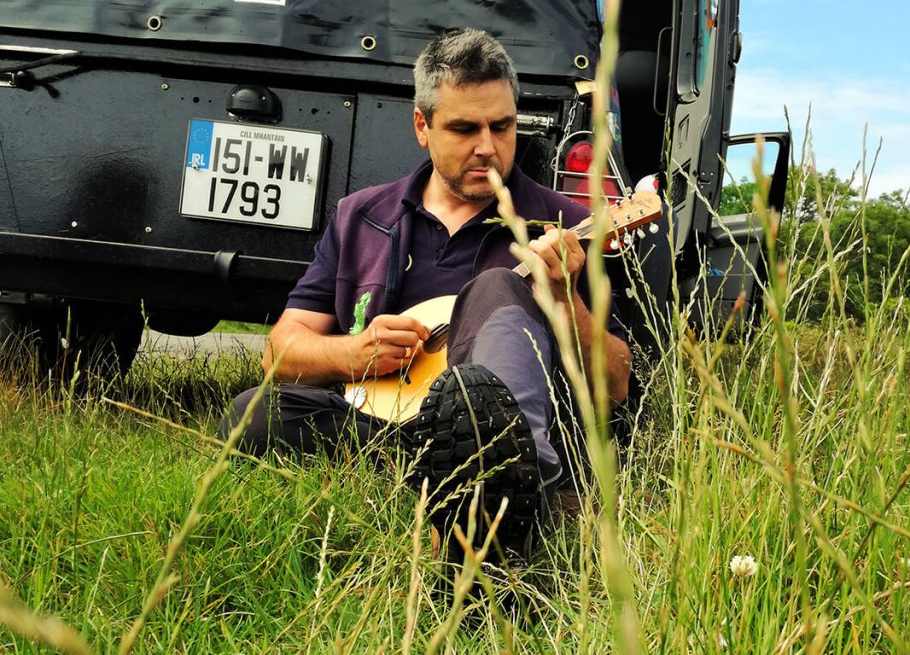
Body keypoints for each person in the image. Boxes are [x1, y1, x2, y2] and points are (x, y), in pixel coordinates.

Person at [217, 28, 632, 553]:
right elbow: (281, 350)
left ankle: (502, 502)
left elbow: (616, 386)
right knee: (252, 413)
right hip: (393, 427)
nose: (488, 147)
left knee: (495, 288)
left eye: (502, 126)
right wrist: (355, 352)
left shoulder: (564, 225)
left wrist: (566, 303)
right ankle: (458, 493)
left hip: (517, 439)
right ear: (422, 126)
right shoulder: (362, 217)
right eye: (464, 129)